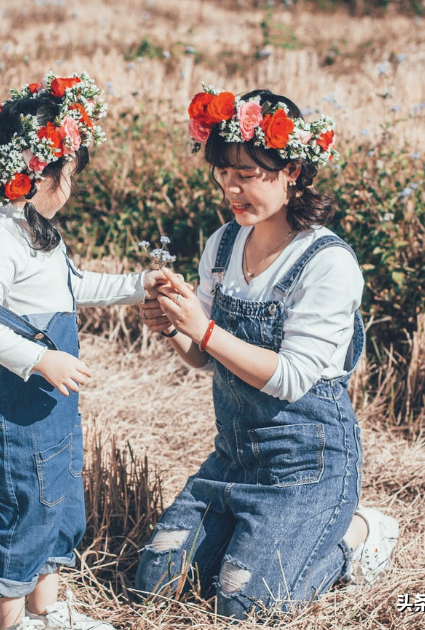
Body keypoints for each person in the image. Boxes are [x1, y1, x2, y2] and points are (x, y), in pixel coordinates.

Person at [135, 87, 399, 619]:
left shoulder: (327, 262)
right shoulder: (224, 244)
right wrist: (173, 327)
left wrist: (203, 329)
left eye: (248, 174)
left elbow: (292, 378)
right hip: (234, 456)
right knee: (157, 582)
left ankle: (355, 537)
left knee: (245, 604)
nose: (231, 187)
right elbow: (204, 359)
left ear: (292, 170)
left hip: (306, 464)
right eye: (223, 172)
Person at [0, 72, 166, 630]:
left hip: (50, 406)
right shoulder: (3, 236)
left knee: (57, 498)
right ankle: (12, 622)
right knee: (23, 507)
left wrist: (139, 283)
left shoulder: (40, 230)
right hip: (16, 407)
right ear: (36, 173)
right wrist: (39, 358)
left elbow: (74, 287)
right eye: (68, 173)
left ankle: (47, 610)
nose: (72, 184)